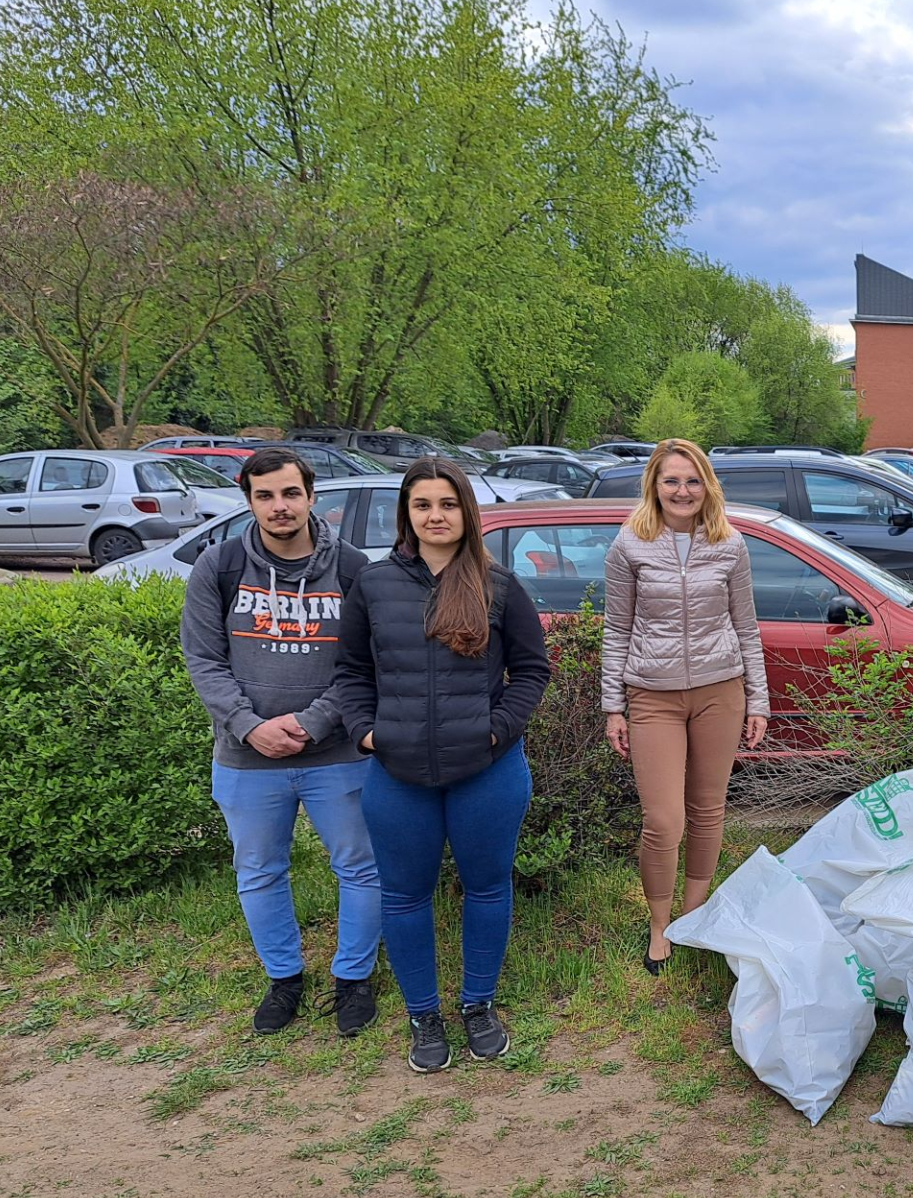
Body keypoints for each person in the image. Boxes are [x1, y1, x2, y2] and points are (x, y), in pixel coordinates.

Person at [335, 459, 550, 1073]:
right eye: (423, 504)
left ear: (467, 512)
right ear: (405, 512)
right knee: (404, 896)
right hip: (397, 775)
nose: (436, 516)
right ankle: (423, 1015)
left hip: (487, 770)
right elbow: (351, 672)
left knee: (487, 887)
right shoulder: (375, 584)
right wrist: (367, 733)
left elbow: (532, 671)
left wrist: (497, 727)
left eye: (448, 504)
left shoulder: (499, 584)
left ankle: (478, 1003)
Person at [181, 447, 381, 1037]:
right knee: (260, 870)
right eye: (264, 495)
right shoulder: (216, 567)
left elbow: (365, 663)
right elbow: (204, 660)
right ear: (249, 500)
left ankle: (353, 979)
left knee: (360, 867)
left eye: (290, 493)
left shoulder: (351, 568)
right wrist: (250, 726)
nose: (279, 506)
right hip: (246, 756)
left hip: (337, 753)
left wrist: (315, 723)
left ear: (312, 496)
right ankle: (284, 978)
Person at [600, 438, 768, 975]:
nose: (682, 490)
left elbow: (746, 625)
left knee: (708, 811)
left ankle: (693, 916)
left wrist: (758, 700)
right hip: (652, 695)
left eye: (693, 480)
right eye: (672, 480)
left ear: (707, 486)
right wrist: (613, 706)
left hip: (722, 690)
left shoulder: (730, 544)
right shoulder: (630, 544)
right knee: (663, 821)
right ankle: (658, 924)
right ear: (654, 484)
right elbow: (616, 629)